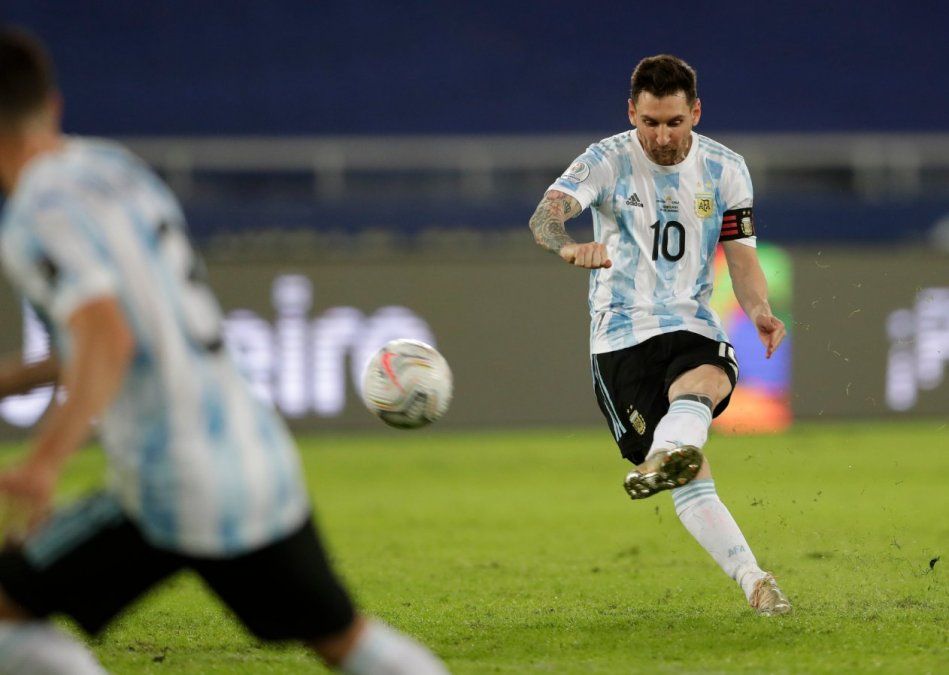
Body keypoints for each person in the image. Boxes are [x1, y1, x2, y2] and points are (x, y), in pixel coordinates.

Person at [0, 27, 448, 674]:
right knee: (342, 637)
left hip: (165, 480)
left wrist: (44, 461)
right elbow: (132, 327)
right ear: (54, 106)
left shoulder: (34, 216)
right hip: (252, 452)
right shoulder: (114, 168)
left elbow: (108, 337)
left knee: (8, 609)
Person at [529, 54, 791, 615]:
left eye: (674, 122)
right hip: (620, 337)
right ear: (632, 113)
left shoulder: (725, 169)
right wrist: (567, 244)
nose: (662, 136)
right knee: (692, 475)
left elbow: (740, 258)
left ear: (695, 112)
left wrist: (760, 309)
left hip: (690, 320)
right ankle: (681, 459)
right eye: (650, 122)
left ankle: (756, 583)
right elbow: (546, 215)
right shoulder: (605, 159)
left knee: (710, 373)